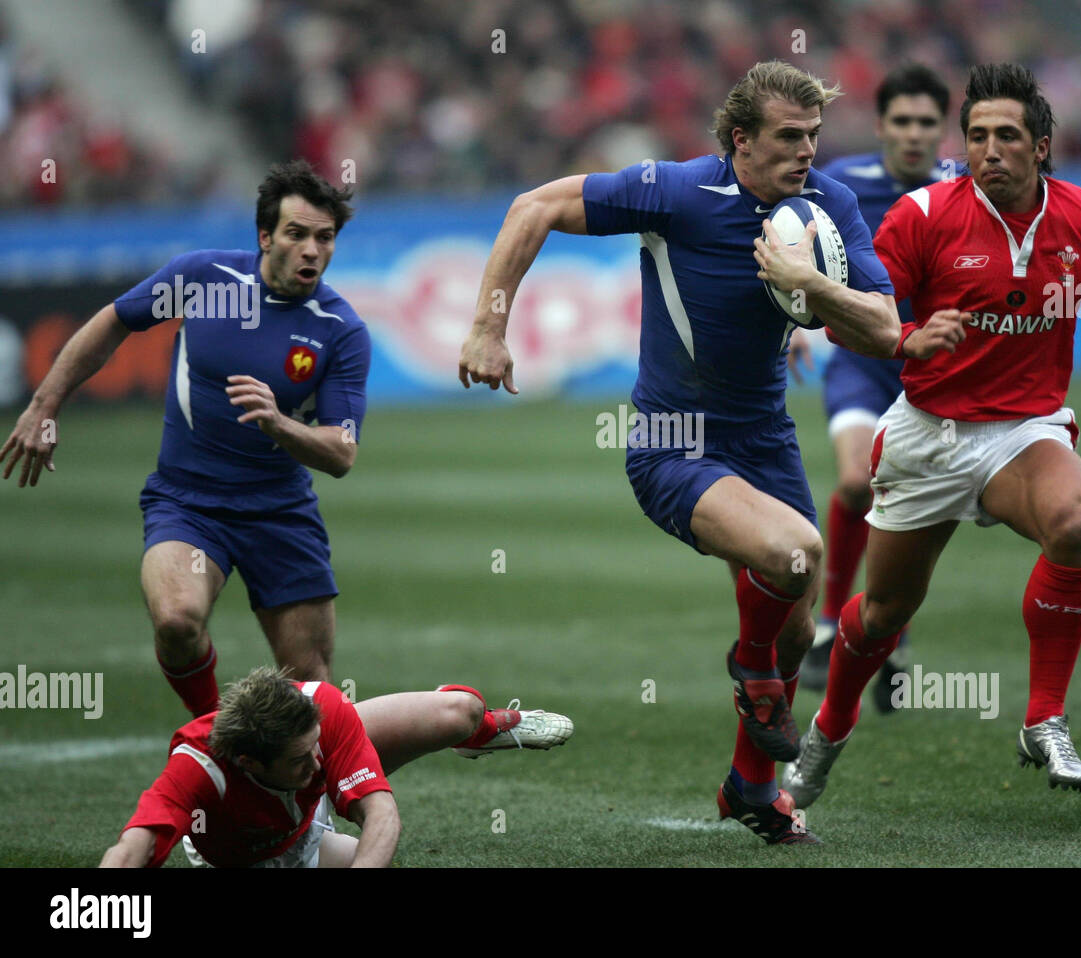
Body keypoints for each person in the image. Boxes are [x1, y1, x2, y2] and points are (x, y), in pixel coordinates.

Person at [783, 62, 1081, 809]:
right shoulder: (921, 215)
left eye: (1006, 135)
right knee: (884, 612)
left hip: (1025, 430)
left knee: (1072, 524)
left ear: (1042, 146)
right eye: (975, 136)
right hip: (928, 435)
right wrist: (904, 335)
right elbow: (865, 312)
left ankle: (1044, 717)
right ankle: (830, 725)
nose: (988, 150)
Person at [459, 61, 900, 845]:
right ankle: (751, 670)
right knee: (797, 554)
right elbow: (535, 206)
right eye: (789, 138)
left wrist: (810, 287)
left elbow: (883, 326)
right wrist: (490, 327)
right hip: (674, 443)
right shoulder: (676, 191)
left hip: (767, 439)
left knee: (798, 630)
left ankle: (750, 789)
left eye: (814, 137)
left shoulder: (827, 205)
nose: (808, 153)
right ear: (740, 141)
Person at [2, 160, 370, 718]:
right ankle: (211, 732)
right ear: (266, 236)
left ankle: (312, 801)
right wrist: (44, 405)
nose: (312, 251)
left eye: (325, 238)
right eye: (297, 235)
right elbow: (114, 321)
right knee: (176, 621)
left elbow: (341, 453)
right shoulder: (206, 280)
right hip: (188, 501)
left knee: (312, 684)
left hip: (281, 511)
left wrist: (279, 423)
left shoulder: (339, 328)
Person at [797, 63, 952, 709]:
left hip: (935, 369)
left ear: (943, 129)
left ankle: (891, 632)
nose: (914, 134)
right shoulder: (839, 186)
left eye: (927, 123)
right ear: (881, 124)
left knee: (908, 501)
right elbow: (784, 237)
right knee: (860, 482)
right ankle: (831, 622)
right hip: (862, 359)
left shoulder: (965, 187)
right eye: (902, 121)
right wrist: (793, 319)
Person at [99, 666, 574, 867]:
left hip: (299, 801)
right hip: (262, 853)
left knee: (460, 712)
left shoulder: (318, 713)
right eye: (301, 758)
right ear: (248, 761)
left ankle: (481, 732)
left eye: (314, 746)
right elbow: (130, 850)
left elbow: (381, 812)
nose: (318, 762)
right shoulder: (197, 768)